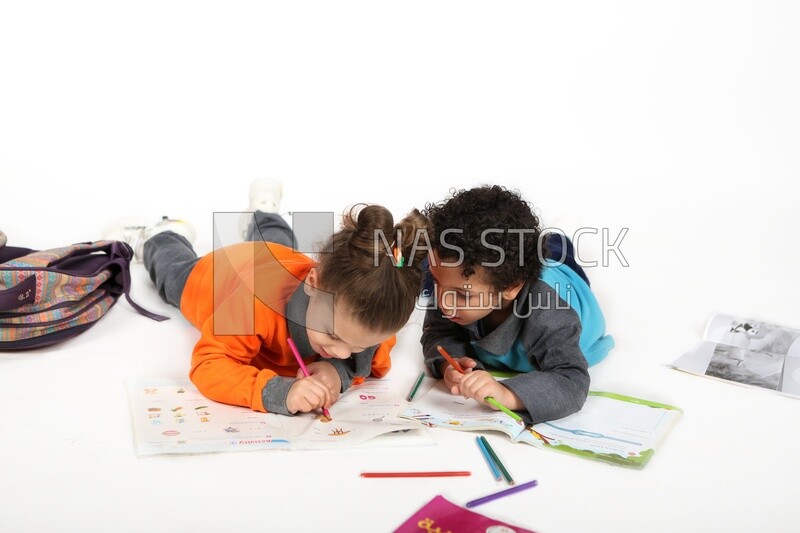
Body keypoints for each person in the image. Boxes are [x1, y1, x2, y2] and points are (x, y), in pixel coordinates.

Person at [103, 178, 428, 415]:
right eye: (332, 335)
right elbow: (209, 366)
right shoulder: (251, 306)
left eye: (356, 346)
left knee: (277, 240)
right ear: (313, 283)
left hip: (279, 257)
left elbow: (375, 358)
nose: (342, 351)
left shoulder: (365, 309)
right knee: (174, 275)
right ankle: (161, 235)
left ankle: (263, 212)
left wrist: (335, 372)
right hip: (217, 276)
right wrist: (280, 392)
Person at [420, 185, 614, 423]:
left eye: (463, 295)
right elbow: (438, 332)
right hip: (510, 269)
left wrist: (505, 393)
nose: (444, 303)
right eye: (438, 283)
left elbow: (571, 381)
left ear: (511, 288)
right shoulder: (453, 286)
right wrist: (450, 364)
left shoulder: (549, 313)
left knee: (556, 249)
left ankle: (561, 232)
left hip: (564, 275)